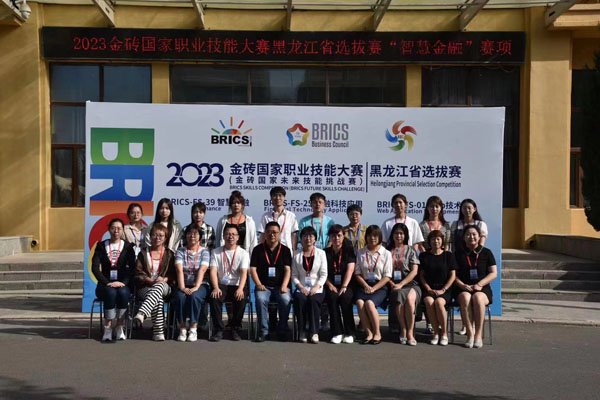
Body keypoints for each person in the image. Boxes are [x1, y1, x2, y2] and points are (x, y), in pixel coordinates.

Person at [92, 218, 136, 342]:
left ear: (123, 230)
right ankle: (108, 327)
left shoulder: (128, 247)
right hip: (105, 284)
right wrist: (107, 283)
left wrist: (124, 282)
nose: (116, 231)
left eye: (119, 228)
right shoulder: (101, 246)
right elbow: (95, 267)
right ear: (109, 229)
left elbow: (132, 268)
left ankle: (120, 326)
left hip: (122, 283)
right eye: (113, 228)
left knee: (123, 293)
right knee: (110, 292)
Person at [453, 225, 497, 348]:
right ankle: (470, 334)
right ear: (464, 238)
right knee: (465, 298)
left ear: (479, 237)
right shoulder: (458, 254)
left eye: (474, 234)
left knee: (477, 298)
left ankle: (478, 335)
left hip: (482, 288)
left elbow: (493, 273)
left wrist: (479, 284)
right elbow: (453, 275)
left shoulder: (487, 252)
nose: (471, 237)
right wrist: (462, 285)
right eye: (468, 234)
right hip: (463, 287)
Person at [250, 221, 293, 342]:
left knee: (285, 299)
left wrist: (284, 285)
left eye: (275, 232)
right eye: (268, 232)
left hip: (280, 286)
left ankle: (282, 329)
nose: (272, 235)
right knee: (260, 299)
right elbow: (252, 269)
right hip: (264, 286)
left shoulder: (285, 250)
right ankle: (263, 331)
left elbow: (288, 270)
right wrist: (258, 284)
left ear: (280, 233)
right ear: (264, 233)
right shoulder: (257, 249)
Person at [133, 224, 176, 341]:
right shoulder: (143, 253)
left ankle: (142, 313)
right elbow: (138, 272)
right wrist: (150, 281)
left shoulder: (169, 254)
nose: (157, 238)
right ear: (150, 236)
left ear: (165, 238)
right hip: (145, 287)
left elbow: (173, 274)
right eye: (155, 235)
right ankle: (158, 332)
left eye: (161, 235)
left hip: (165, 286)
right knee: (158, 299)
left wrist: (165, 279)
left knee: (160, 285)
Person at [209, 225, 250, 341]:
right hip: (221, 284)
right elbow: (213, 271)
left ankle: (235, 328)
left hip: (237, 284)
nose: (230, 236)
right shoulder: (216, 252)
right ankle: (219, 329)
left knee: (241, 298)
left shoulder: (243, 253)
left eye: (233, 234)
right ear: (223, 236)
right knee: (214, 298)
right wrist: (215, 287)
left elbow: (244, 272)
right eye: (227, 234)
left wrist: (241, 289)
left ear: (238, 237)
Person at [354, 225, 392, 345]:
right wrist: (366, 286)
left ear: (380, 237)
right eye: (369, 235)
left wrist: (374, 288)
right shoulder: (360, 252)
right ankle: (368, 333)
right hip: (364, 284)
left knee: (370, 304)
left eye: (375, 236)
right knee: (360, 303)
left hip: (380, 286)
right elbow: (357, 273)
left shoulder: (386, 253)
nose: (372, 238)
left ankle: (377, 333)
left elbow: (387, 276)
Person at [173, 225, 211, 342]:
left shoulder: (205, 251)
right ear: (186, 236)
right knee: (180, 297)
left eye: (195, 233)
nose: (192, 236)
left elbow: (202, 270)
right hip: (183, 284)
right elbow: (179, 270)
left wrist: (196, 287)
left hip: (201, 284)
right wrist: (182, 287)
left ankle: (193, 329)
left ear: (200, 237)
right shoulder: (180, 251)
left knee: (195, 296)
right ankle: (182, 328)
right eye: (189, 233)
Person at [419, 230, 456, 346]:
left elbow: (453, 275)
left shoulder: (448, 255)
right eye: (433, 239)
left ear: (442, 241)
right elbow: (421, 276)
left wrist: (443, 289)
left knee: (439, 303)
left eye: (438, 239)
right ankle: (435, 332)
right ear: (429, 241)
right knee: (429, 302)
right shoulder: (424, 256)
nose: (435, 241)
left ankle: (444, 333)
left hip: (445, 289)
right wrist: (428, 288)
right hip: (429, 288)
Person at [386, 223, 421, 346]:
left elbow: (414, 271)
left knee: (410, 301)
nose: (399, 236)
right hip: (393, 284)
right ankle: (403, 329)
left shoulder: (411, 250)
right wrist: (391, 283)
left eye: (401, 233)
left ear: (405, 235)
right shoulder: (387, 251)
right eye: (396, 233)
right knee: (399, 298)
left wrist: (401, 283)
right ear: (392, 235)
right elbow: (384, 271)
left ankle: (410, 332)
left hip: (410, 284)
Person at [292, 226, 327, 343]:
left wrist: (316, 287)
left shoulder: (321, 253)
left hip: (317, 288)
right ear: (301, 239)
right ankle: (302, 330)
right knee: (299, 299)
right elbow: (294, 275)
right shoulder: (296, 254)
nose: (308, 238)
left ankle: (314, 332)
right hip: (301, 287)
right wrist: (301, 287)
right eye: (305, 236)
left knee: (313, 299)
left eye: (311, 236)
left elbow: (323, 274)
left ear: (315, 239)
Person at [324, 225, 357, 344]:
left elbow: (350, 269)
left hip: (347, 284)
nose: (336, 238)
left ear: (343, 236)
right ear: (329, 237)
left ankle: (350, 332)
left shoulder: (349, 251)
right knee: (332, 298)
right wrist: (330, 285)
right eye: (333, 236)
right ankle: (337, 332)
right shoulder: (325, 252)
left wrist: (344, 286)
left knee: (345, 298)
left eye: (339, 235)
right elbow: (322, 272)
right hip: (330, 284)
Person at [258, 186, 299, 251]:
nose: (277, 198)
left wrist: (294, 251)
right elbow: (262, 236)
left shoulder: (291, 216)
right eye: (275, 195)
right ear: (271, 198)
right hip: (270, 250)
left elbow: (293, 235)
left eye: (280, 195)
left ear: (284, 198)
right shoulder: (266, 216)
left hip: (286, 251)